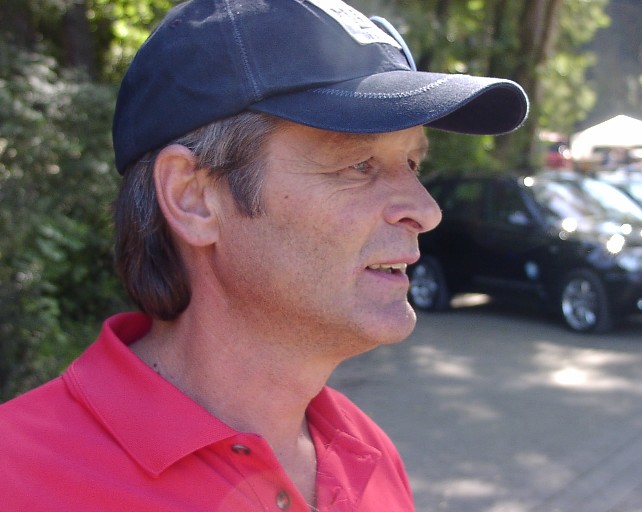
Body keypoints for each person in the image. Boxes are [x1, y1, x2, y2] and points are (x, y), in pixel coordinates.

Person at [0, 0, 528, 510]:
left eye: (412, 164)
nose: (426, 210)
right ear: (193, 198)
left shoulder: (368, 454)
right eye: (358, 165)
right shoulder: (18, 477)